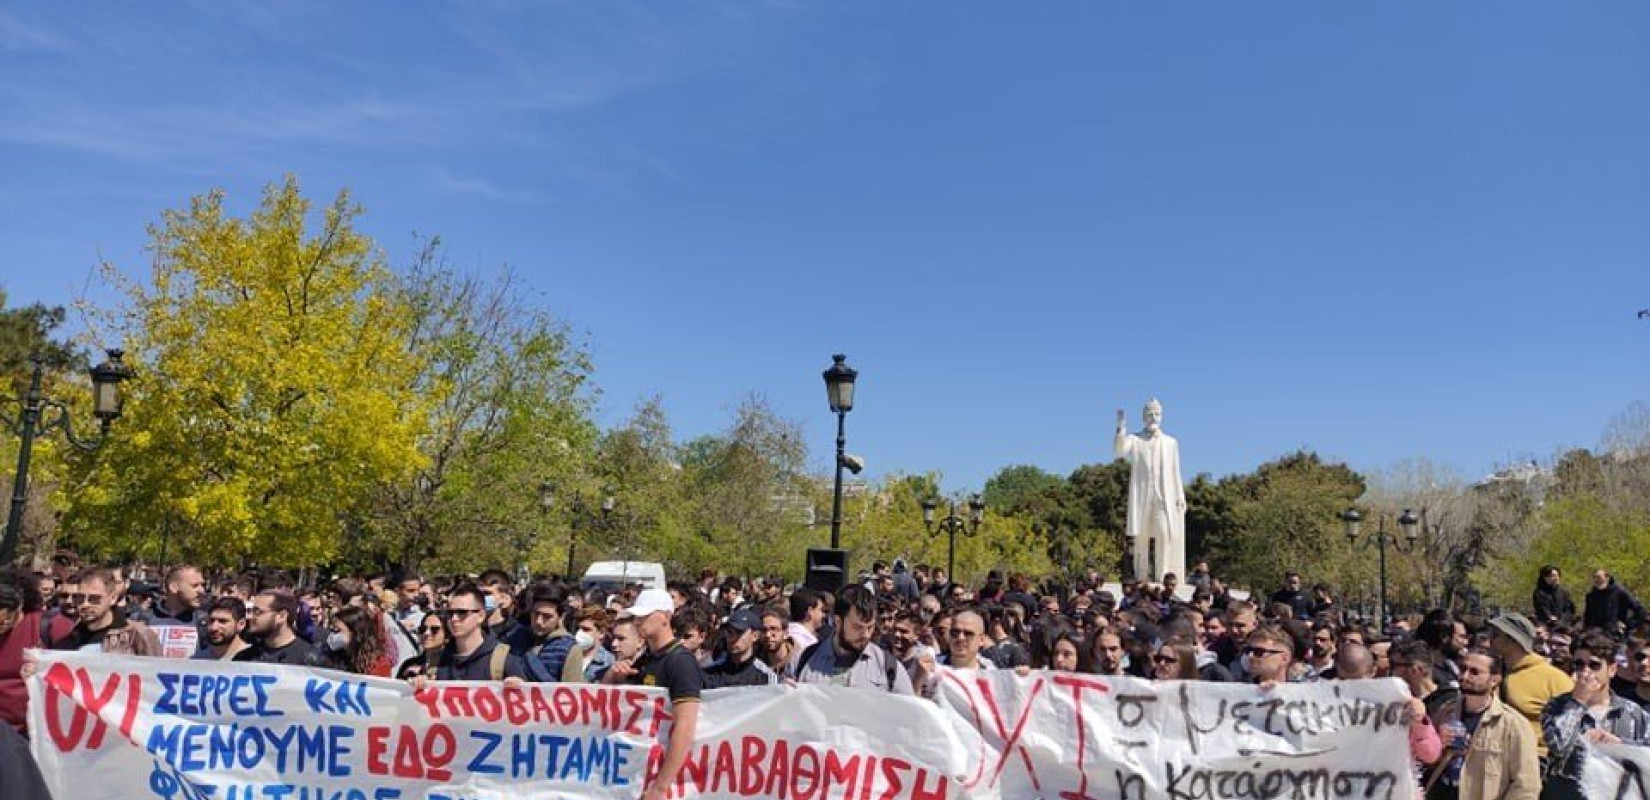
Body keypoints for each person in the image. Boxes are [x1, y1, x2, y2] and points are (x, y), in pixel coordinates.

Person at [604, 589, 702, 800]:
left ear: (665, 617)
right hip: (638, 774)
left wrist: (660, 786)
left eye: (645, 616)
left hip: (662, 780)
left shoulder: (680, 662)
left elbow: (684, 727)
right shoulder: (646, 659)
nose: (639, 621)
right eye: (637, 616)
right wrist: (613, 678)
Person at [1539, 634, 1650, 800]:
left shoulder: (1633, 712)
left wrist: (1619, 743)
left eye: (1594, 665)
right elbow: (1557, 746)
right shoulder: (1557, 706)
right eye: (1579, 664)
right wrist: (1578, 701)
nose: (1586, 672)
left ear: (1612, 669)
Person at [791, 585, 914, 694]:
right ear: (838, 621)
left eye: (870, 627)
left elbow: (909, 713)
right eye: (857, 627)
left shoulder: (889, 667)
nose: (866, 634)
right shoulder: (806, 660)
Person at [1114, 399, 1187, 581]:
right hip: (1142, 497)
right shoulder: (1135, 439)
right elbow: (1119, 451)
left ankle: (1163, 577)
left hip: (1164, 497)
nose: (1153, 417)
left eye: (1157, 414)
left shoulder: (1171, 443)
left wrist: (1180, 495)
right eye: (1150, 414)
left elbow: (1175, 471)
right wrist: (1121, 429)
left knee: (1164, 533)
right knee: (1141, 537)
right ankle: (1141, 577)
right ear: (1143, 417)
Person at [1452, 651, 1539, 800]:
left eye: (1474, 672)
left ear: (1494, 680)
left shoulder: (1514, 725)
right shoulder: (1444, 712)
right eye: (1463, 669)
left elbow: (1526, 786)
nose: (1465, 676)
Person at [1486, 613, 1572, 760]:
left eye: (1496, 635)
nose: (1490, 641)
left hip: (1535, 761)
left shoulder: (1555, 679)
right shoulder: (1492, 670)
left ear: (1512, 640)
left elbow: (1571, 727)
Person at [50, 568, 160, 656]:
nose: (85, 604)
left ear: (112, 598)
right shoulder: (67, 642)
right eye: (79, 598)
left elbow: (155, 675)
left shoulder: (137, 636)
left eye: (94, 599)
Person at [236, 590, 327, 667]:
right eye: (250, 611)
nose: (250, 617)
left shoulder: (311, 660)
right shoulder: (244, 658)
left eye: (257, 612)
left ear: (282, 616)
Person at [0, 571, 42, 735]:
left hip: (29, 732)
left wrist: (42, 671)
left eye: (3, 620)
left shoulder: (42, 627)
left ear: (18, 606)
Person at [705, 609, 777, 688]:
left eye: (739, 632)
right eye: (729, 632)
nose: (731, 638)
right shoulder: (710, 672)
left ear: (755, 636)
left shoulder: (765, 676)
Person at [147, 564, 208, 658]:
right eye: (194, 585)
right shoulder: (143, 619)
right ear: (173, 587)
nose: (201, 591)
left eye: (202, 585)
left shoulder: (204, 621)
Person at [326, 606, 393, 677]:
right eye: (333, 630)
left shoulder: (379, 664)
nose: (334, 635)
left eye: (339, 630)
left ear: (355, 633)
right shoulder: (340, 658)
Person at [1583, 570, 1644, 636]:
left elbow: (1641, 612)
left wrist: (1628, 625)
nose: (1596, 580)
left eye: (1599, 577)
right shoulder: (1591, 596)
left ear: (1607, 578)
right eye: (1594, 578)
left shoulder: (1620, 592)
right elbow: (1587, 618)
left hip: (1616, 636)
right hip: (1595, 636)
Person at [399, 614, 448, 680]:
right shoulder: (408, 664)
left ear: (447, 634)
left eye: (434, 629)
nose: (426, 633)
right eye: (423, 629)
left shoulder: (454, 667)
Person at [575, 606, 615, 683]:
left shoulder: (608, 662)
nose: (579, 633)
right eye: (578, 628)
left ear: (601, 633)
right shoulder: (568, 655)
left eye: (586, 629)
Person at [787, 588, 826, 655]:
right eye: (821, 610)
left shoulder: (786, 634)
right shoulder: (806, 643)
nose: (824, 615)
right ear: (810, 611)